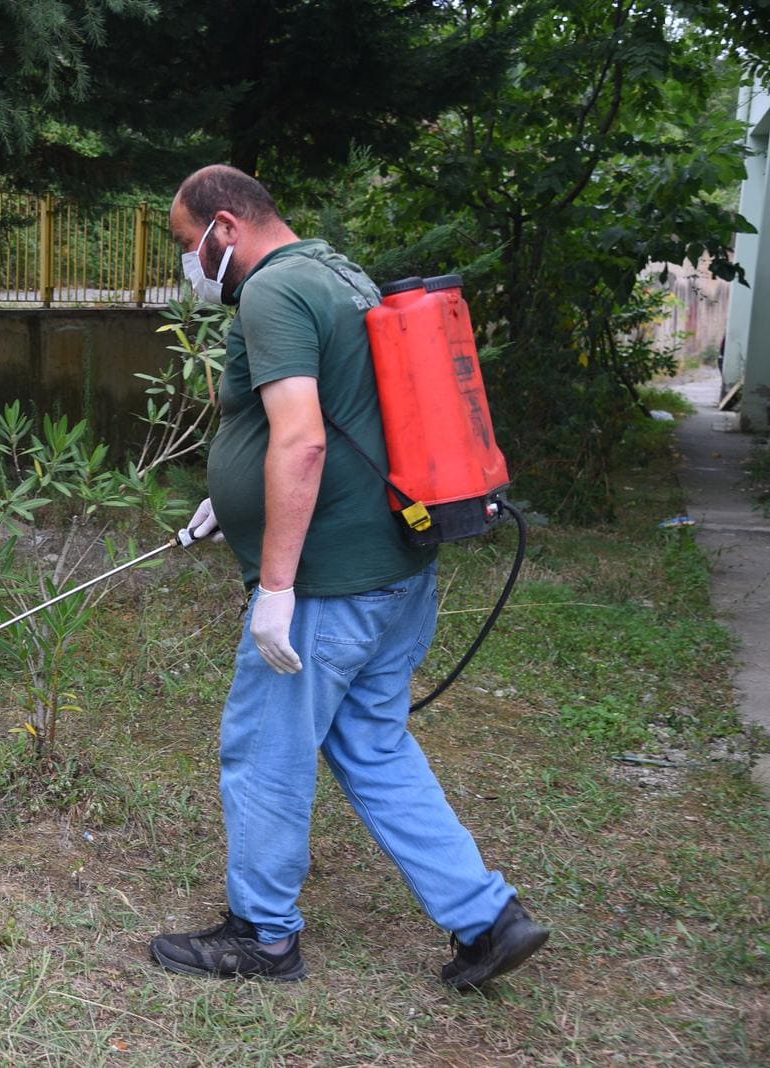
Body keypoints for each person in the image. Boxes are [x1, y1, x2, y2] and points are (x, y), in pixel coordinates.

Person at [149, 164, 548, 989]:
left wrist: (278, 587)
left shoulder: (270, 294)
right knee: (372, 743)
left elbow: (302, 440)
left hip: (330, 584)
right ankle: (488, 918)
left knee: (264, 750)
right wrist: (233, 497)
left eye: (190, 246)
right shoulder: (336, 271)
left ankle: (262, 937)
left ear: (226, 227)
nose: (190, 265)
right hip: (397, 570)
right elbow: (345, 410)